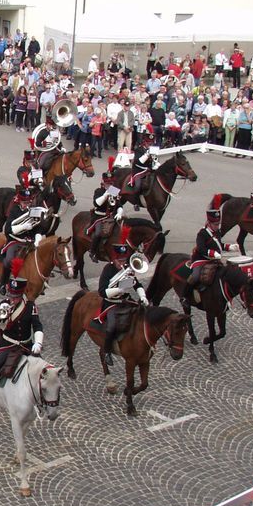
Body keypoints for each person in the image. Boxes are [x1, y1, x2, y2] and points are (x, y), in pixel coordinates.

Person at [0, 258, 43, 407]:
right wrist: (0, 312)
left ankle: (41, 397)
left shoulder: (30, 306)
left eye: (16, 296)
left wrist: (38, 343)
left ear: (22, 294)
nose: (13, 299)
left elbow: (37, 326)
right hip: (7, 345)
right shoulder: (4, 305)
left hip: (26, 345)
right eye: (12, 295)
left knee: (42, 370)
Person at [97, 228, 148, 366]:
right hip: (111, 302)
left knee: (143, 315)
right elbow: (101, 291)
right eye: (120, 260)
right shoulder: (108, 269)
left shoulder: (128, 268)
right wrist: (119, 289)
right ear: (114, 258)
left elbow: (137, 284)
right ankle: (107, 351)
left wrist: (142, 296)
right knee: (111, 326)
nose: (122, 263)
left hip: (125, 299)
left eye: (124, 260)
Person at [180, 195, 238, 304]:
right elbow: (201, 249)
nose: (217, 226)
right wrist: (213, 253)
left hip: (214, 260)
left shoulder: (217, 232)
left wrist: (229, 247)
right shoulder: (202, 233)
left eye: (218, 224)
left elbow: (219, 244)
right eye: (216, 224)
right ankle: (185, 297)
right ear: (210, 223)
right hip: (201, 259)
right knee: (195, 276)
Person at [0, 179, 45, 294]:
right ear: (20, 201)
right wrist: (24, 226)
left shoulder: (32, 211)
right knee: (8, 261)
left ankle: (40, 282)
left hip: (29, 241)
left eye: (28, 202)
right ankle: (3, 284)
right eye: (25, 202)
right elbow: (8, 229)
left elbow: (38, 227)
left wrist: (38, 238)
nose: (27, 204)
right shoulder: (14, 210)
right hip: (15, 241)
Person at [89, 166, 123, 260]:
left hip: (112, 216)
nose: (109, 185)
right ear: (103, 182)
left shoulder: (114, 191)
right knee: (98, 233)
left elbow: (119, 205)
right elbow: (97, 203)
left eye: (111, 183)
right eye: (107, 183)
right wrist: (105, 195)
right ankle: (92, 251)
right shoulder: (99, 191)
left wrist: (119, 213)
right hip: (99, 216)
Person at [129, 128, 159, 199]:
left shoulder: (153, 150)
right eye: (148, 142)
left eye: (151, 143)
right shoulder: (138, 149)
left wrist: (156, 164)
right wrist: (147, 154)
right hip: (139, 171)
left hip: (149, 170)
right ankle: (135, 201)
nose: (150, 144)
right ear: (144, 142)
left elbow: (156, 160)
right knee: (138, 186)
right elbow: (139, 162)